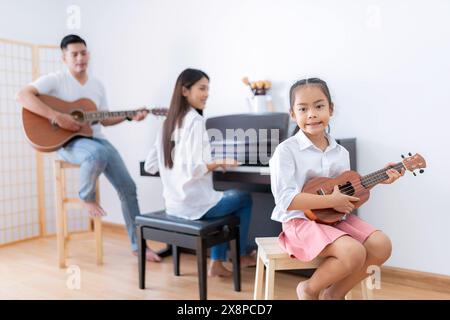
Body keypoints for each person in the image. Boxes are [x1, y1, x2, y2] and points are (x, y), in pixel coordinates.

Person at [16, 34, 161, 262]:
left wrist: (129, 117)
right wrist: (57, 117)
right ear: (64, 58)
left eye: (83, 53)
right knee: (97, 153)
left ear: (88, 55)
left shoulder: (97, 85)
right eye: (74, 54)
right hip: (66, 142)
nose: (80, 58)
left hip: (95, 139)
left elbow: (103, 119)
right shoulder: (55, 80)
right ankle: (86, 195)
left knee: (129, 188)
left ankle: (138, 246)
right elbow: (22, 95)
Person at [269, 78, 404, 299]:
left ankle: (334, 294)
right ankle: (309, 289)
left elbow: (346, 194)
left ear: (330, 109)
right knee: (353, 251)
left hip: (333, 219)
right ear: (293, 114)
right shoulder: (286, 151)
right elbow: (286, 200)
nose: (312, 113)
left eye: (319, 106)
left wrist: (381, 179)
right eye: (303, 108)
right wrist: (331, 201)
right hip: (299, 222)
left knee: (381, 244)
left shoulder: (341, 152)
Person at [145, 68, 256, 277]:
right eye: (202, 88)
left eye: (208, 89)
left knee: (222, 197)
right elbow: (195, 168)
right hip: (193, 206)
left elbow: (151, 164)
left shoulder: (167, 122)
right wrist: (218, 162)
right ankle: (238, 257)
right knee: (243, 198)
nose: (206, 94)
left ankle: (217, 262)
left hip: (174, 204)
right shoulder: (195, 121)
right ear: (185, 91)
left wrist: (176, 170)